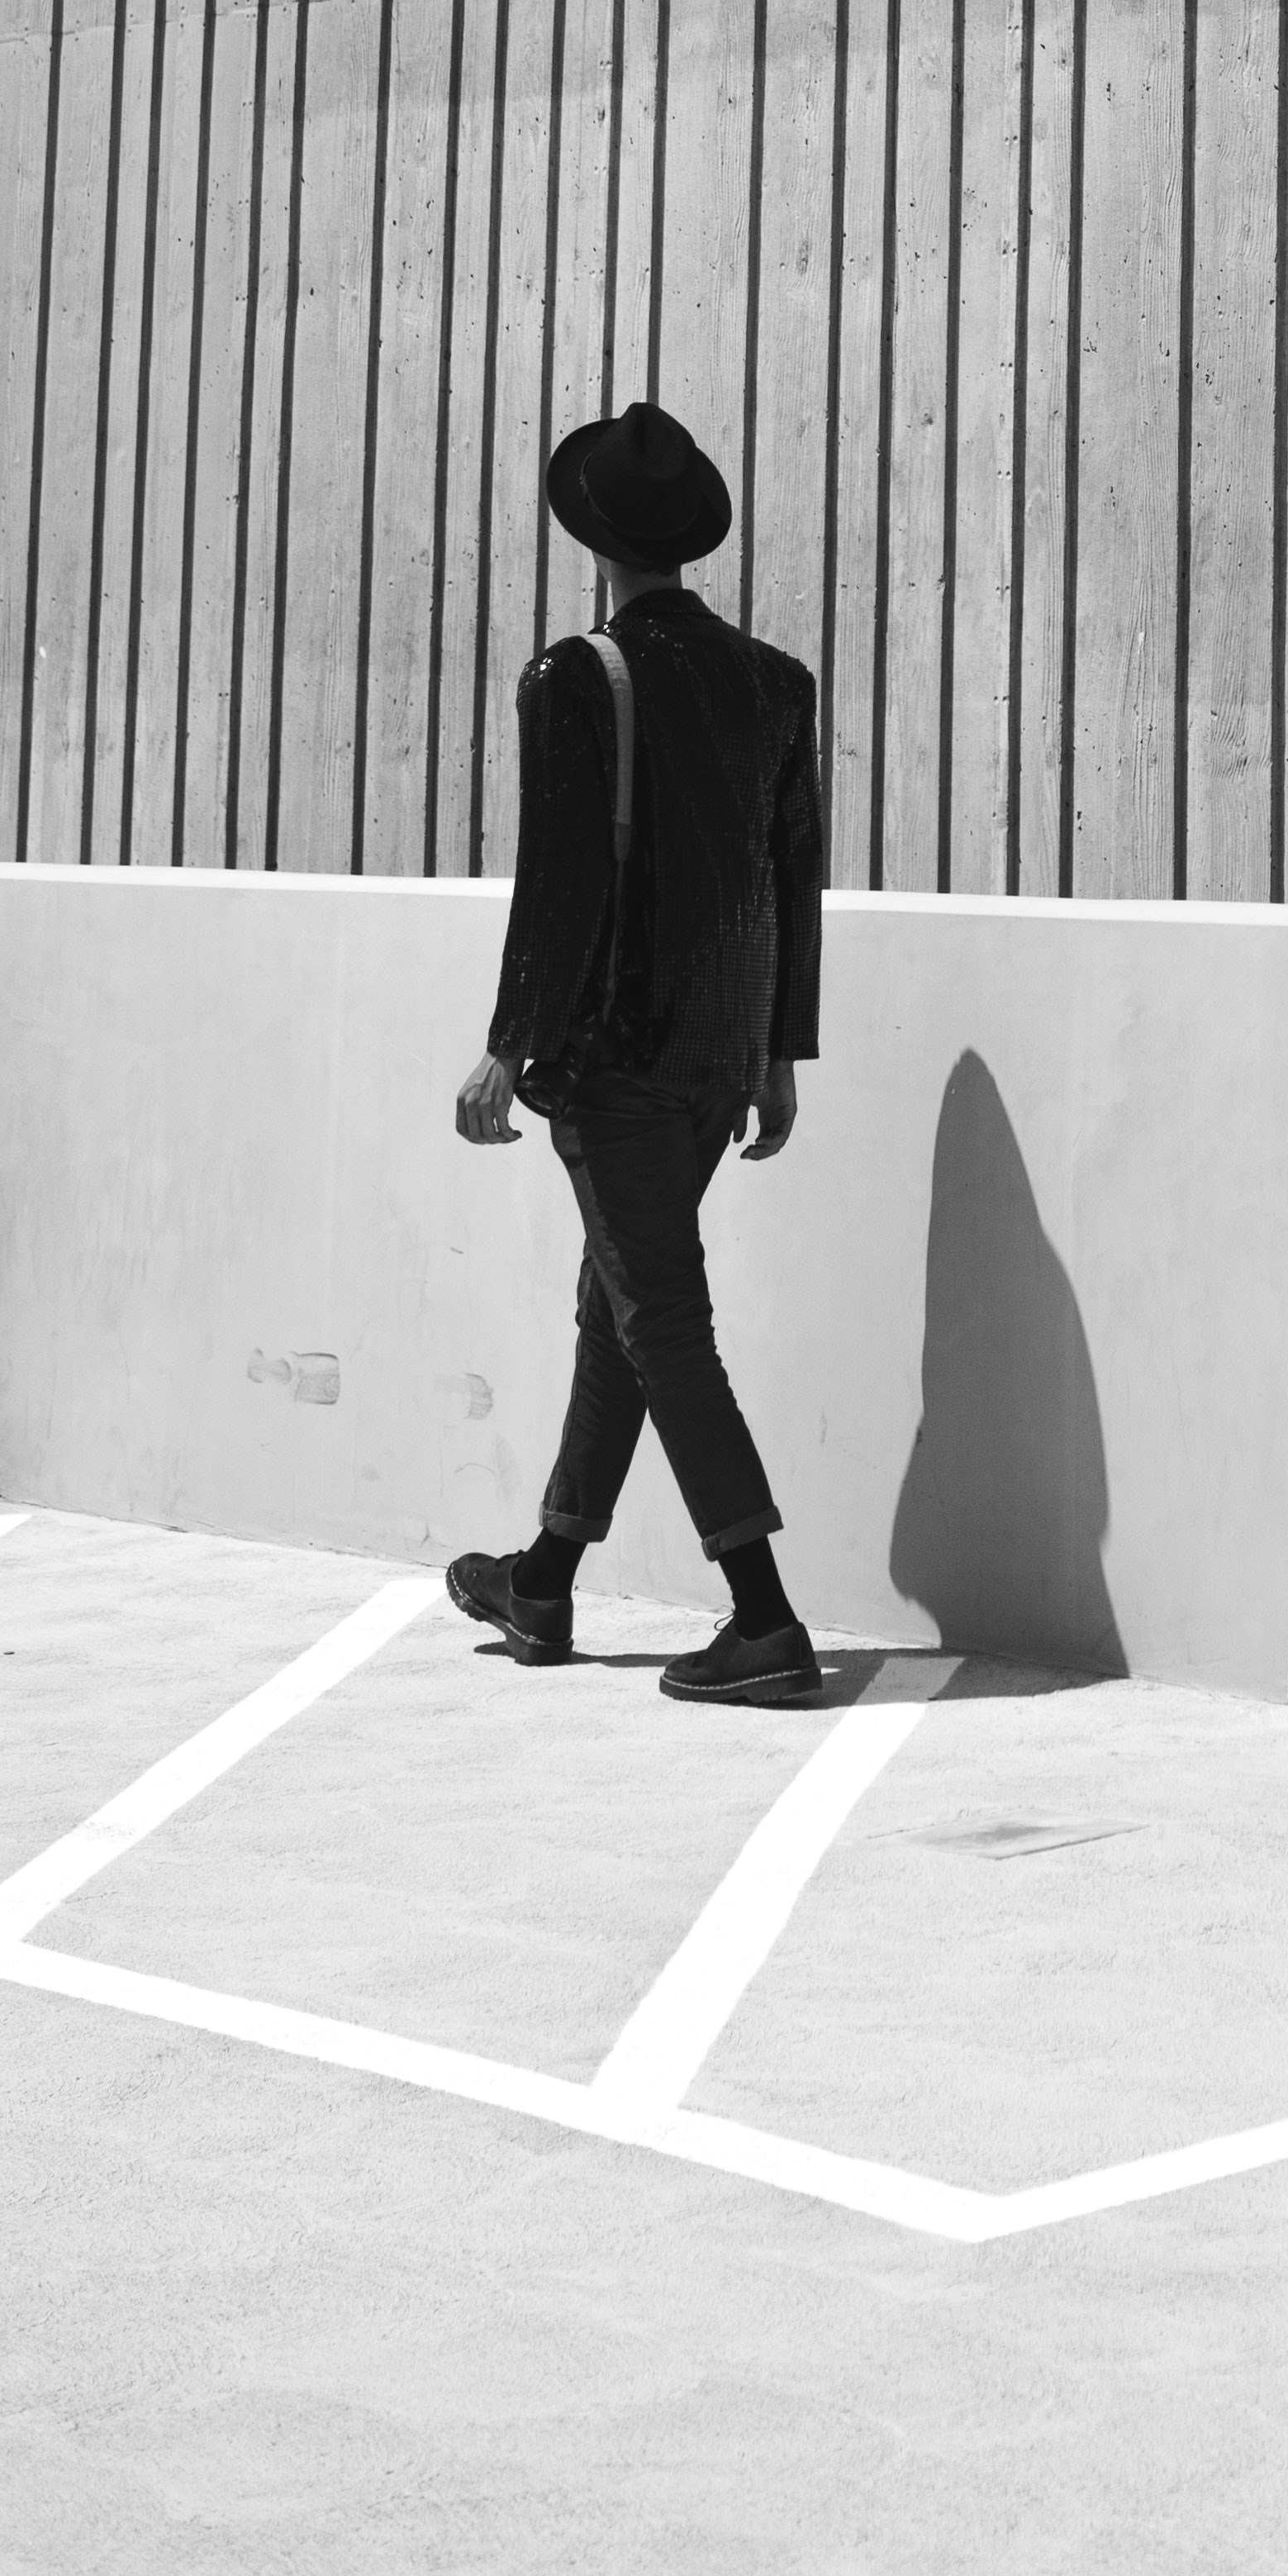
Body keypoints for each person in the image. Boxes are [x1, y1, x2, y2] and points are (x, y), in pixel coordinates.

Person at [447, 399, 829, 1705]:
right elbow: (792, 886)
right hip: (718, 1065)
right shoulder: (777, 685)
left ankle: (765, 1618)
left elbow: (555, 886)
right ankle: (544, 1578)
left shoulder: (576, 677)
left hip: (612, 1062)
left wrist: (510, 1049)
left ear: (593, 543)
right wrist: (780, 1054)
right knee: (621, 1302)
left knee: (660, 1316)